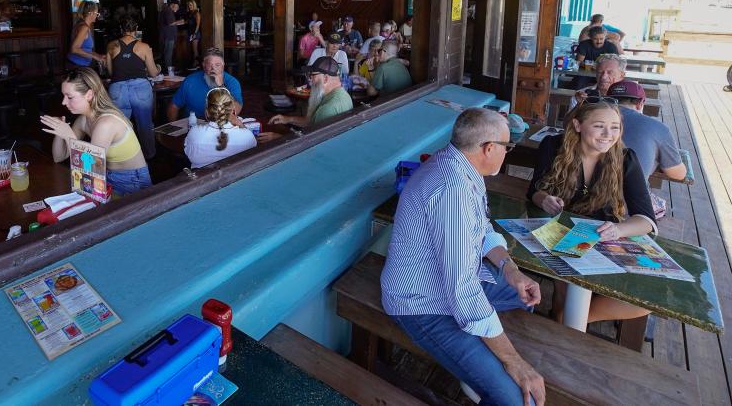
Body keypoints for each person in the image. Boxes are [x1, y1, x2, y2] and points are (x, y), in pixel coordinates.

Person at [381, 108, 545, 406]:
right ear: (489, 148)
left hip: (449, 287)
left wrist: (510, 269)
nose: (507, 153)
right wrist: (514, 361)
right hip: (421, 303)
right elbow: (462, 291)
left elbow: (482, 229)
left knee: (525, 295)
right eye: (508, 147)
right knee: (521, 401)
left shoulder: (462, 165)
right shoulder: (451, 189)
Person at [527, 99, 655, 323]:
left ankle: (571, 319)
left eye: (615, 127)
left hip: (605, 238)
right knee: (567, 279)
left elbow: (646, 220)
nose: (608, 134)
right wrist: (544, 199)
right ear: (578, 125)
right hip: (562, 236)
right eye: (599, 126)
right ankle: (566, 320)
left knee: (645, 301)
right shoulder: (553, 146)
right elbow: (534, 191)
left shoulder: (625, 158)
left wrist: (617, 229)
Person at [41, 68, 152, 195]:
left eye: (70, 97)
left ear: (89, 94)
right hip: (107, 175)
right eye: (63, 96)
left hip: (132, 181)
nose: (63, 102)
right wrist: (59, 131)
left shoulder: (105, 123)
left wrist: (68, 135)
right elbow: (58, 157)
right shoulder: (83, 119)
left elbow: (91, 172)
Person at [607, 81, 687, 182]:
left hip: (588, 189)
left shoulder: (591, 120)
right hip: (630, 196)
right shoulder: (657, 127)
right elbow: (678, 174)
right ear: (640, 103)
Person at [106, 17, 161, 160]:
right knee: (145, 125)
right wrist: (159, 68)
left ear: (121, 29)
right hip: (140, 88)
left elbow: (111, 72)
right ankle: (149, 157)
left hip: (117, 89)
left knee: (120, 127)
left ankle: (124, 158)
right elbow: (153, 73)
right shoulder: (144, 47)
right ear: (136, 30)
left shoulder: (111, 46)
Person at [269, 56, 352, 127]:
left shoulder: (327, 108)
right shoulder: (344, 95)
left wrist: (277, 138)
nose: (310, 80)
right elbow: (311, 122)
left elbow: (312, 142)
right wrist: (288, 119)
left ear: (325, 79)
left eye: (312, 75)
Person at [184, 87, 257, 168]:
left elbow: (188, 153)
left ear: (207, 112)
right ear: (233, 110)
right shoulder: (247, 136)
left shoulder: (195, 134)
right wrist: (241, 125)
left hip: (203, 180)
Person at [167, 47, 243, 121]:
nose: (213, 69)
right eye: (210, 65)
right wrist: (174, 128)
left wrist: (221, 87)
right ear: (203, 65)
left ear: (223, 65)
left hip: (219, 127)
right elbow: (174, 106)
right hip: (192, 126)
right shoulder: (190, 80)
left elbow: (235, 110)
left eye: (217, 65)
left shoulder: (232, 82)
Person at [67, 1, 107, 69]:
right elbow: (74, 49)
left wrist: (99, 56)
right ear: (90, 13)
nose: (97, 16)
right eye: (96, 13)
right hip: (76, 65)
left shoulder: (82, 25)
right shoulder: (84, 27)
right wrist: (95, 57)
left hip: (78, 64)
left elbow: (86, 49)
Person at [159, 0, 185, 71]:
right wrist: (180, 21)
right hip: (168, 36)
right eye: (177, 6)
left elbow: (170, 23)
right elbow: (170, 23)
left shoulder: (167, 10)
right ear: (173, 5)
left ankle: (167, 69)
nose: (178, 8)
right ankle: (169, 71)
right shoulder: (168, 11)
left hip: (167, 36)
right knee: (168, 54)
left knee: (167, 53)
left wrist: (177, 23)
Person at [185, 0, 201, 68]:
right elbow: (186, 22)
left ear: (194, 5)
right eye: (189, 5)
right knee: (192, 49)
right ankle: (195, 63)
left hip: (195, 33)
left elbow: (198, 24)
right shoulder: (190, 13)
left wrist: (195, 33)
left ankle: (196, 63)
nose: (189, 6)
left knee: (195, 49)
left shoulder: (197, 13)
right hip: (190, 32)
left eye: (191, 5)